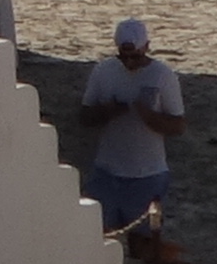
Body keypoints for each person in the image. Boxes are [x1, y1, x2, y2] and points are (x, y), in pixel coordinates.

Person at [77, 16, 188, 246]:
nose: (128, 62)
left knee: (143, 244)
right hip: (107, 173)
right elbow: (84, 117)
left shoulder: (162, 75)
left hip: (147, 176)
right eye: (123, 56)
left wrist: (149, 117)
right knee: (98, 241)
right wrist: (107, 112)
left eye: (135, 56)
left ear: (146, 47)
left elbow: (178, 125)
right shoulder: (104, 71)